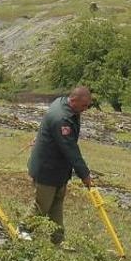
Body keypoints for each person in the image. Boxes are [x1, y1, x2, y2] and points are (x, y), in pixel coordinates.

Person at [27, 87, 94, 244]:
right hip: (47, 168)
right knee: (42, 205)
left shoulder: (63, 103)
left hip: (59, 170)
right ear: (74, 100)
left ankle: (58, 238)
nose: (85, 110)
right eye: (84, 106)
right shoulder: (62, 119)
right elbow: (70, 150)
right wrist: (85, 175)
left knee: (56, 204)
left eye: (88, 106)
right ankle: (24, 229)